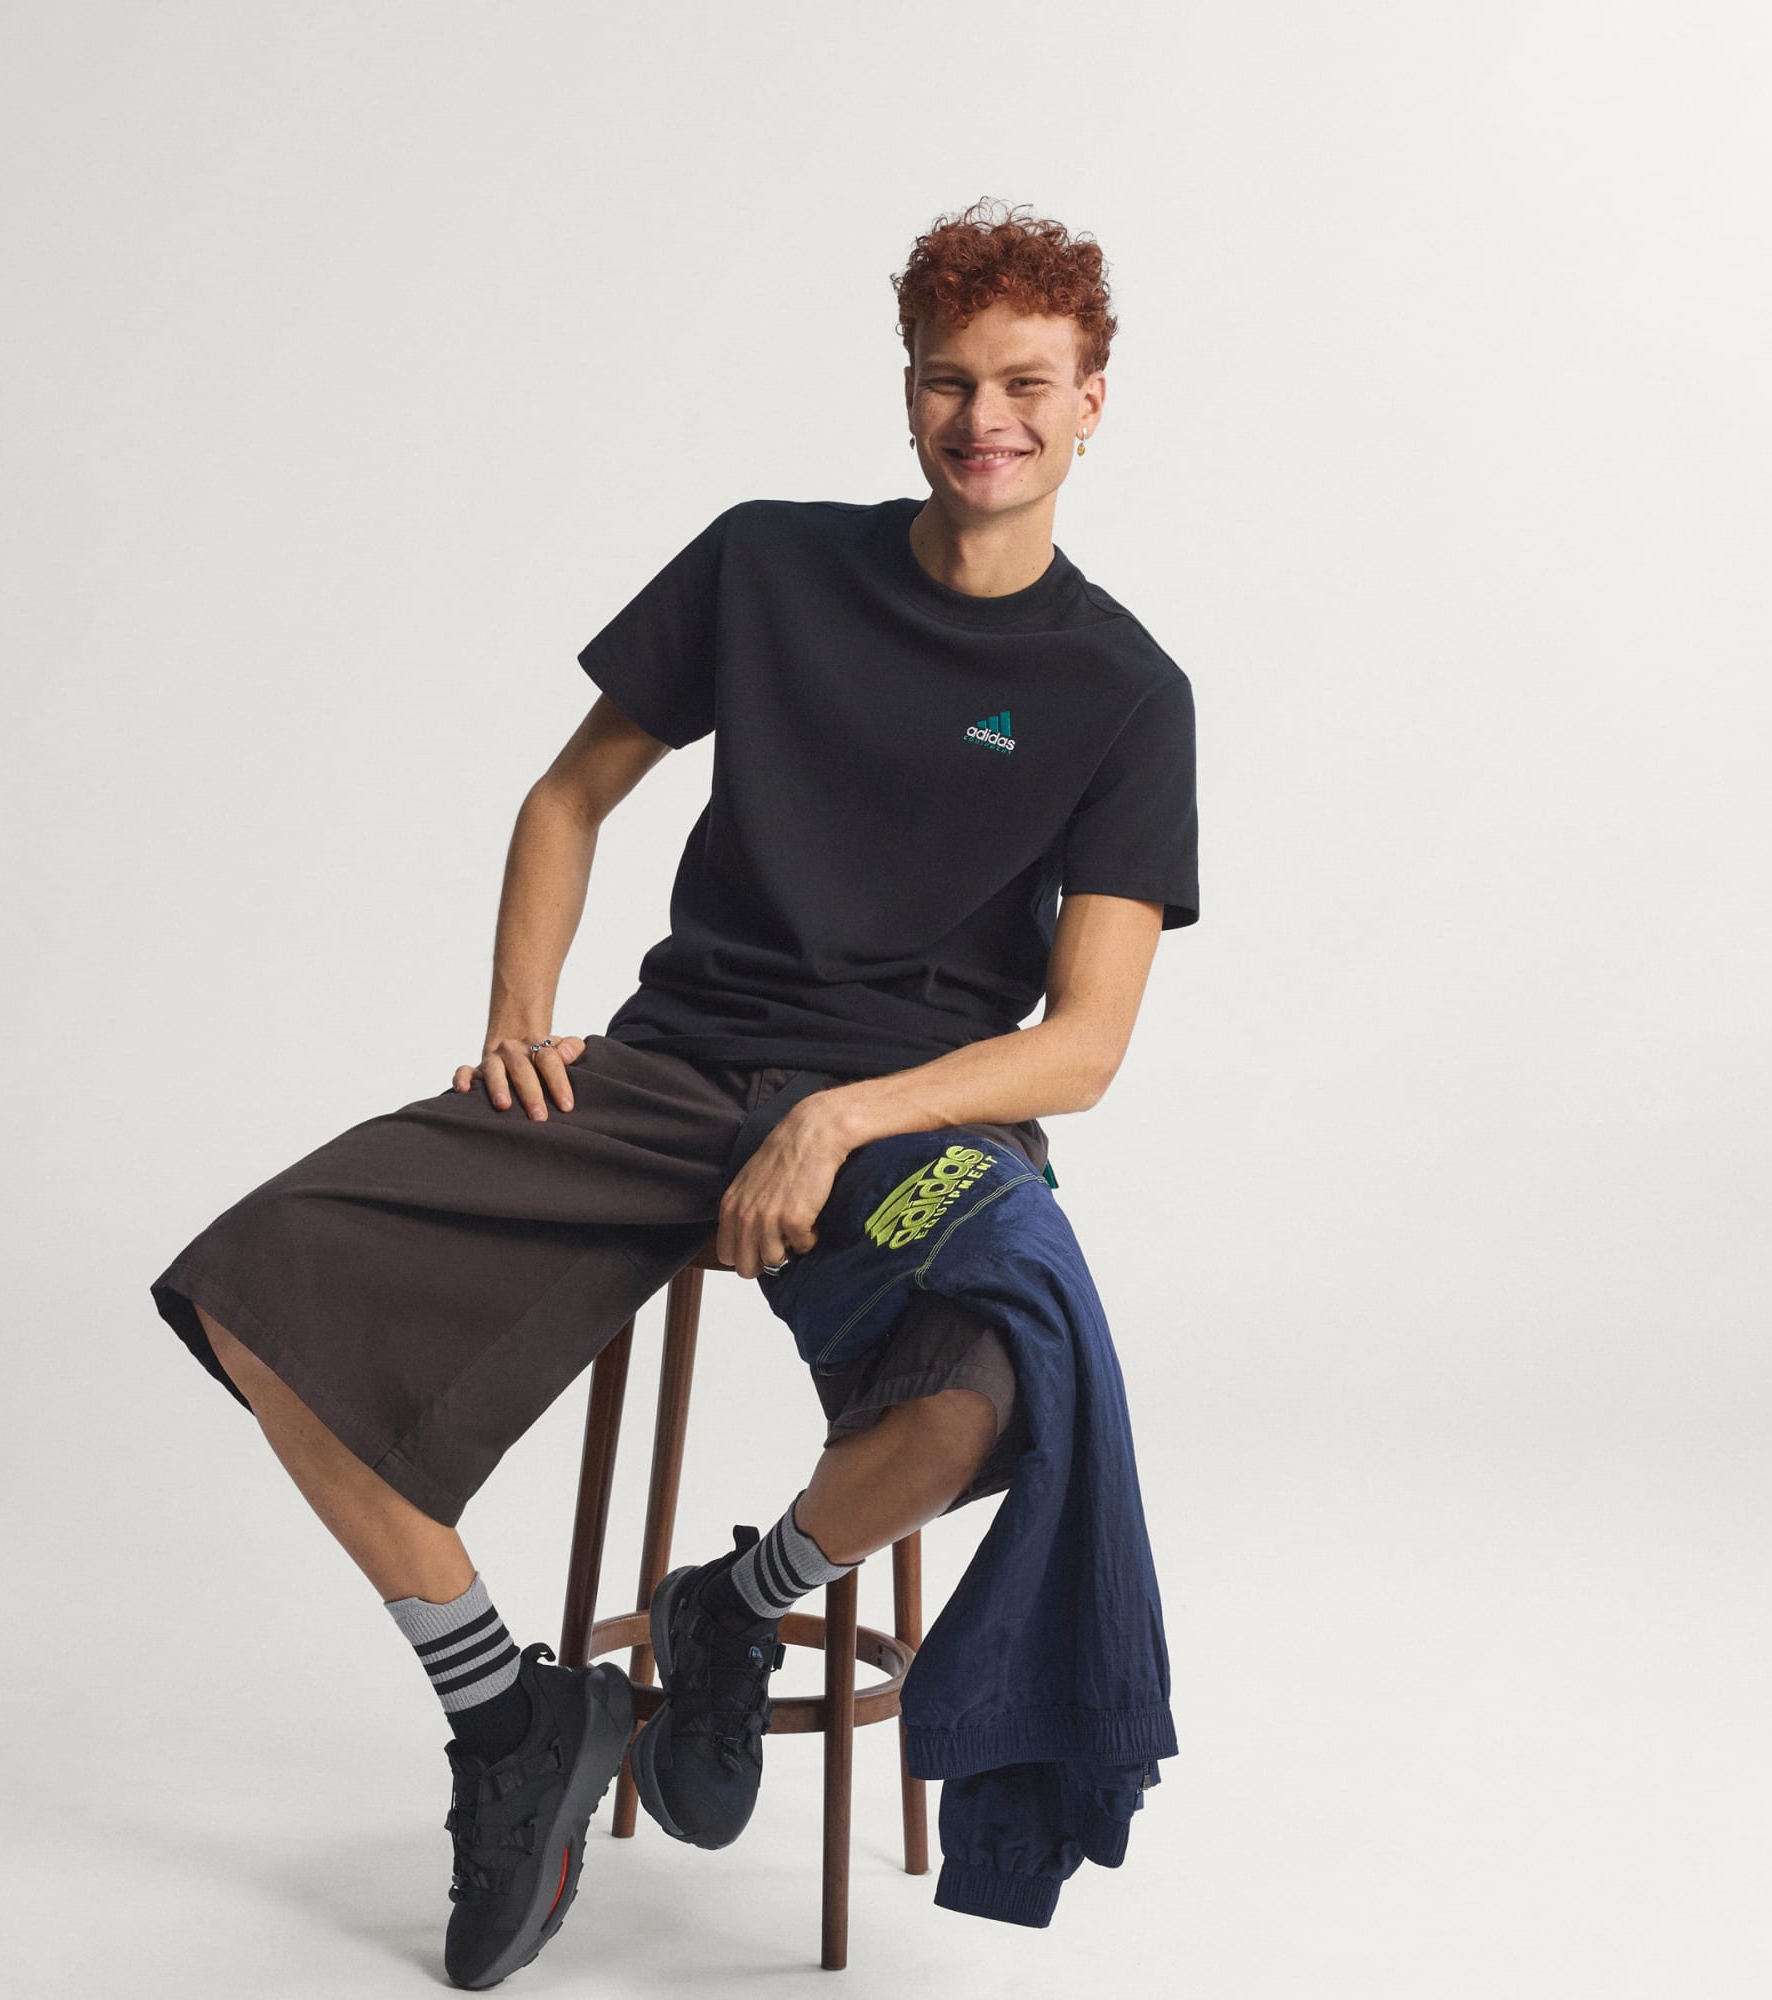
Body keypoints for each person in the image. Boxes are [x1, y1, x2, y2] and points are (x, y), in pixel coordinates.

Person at [149, 195, 1198, 1991]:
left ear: (1093, 402)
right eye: (948, 380)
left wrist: (844, 1116)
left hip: (920, 1120)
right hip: (668, 1070)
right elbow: (569, 797)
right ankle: (510, 1718)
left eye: (1027, 383)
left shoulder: (1123, 691)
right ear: (907, 388)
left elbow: (1082, 1045)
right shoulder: (767, 564)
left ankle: (738, 1605)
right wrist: (519, 1020)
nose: (983, 419)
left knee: (1010, 1376)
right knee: (257, 1287)